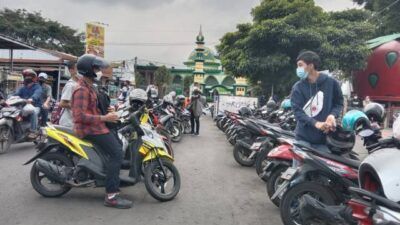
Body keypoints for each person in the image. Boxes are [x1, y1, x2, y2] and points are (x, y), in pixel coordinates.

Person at [71, 54, 132, 209]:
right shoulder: (81, 90)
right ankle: (111, 196)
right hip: (89, 129)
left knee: (118, 142)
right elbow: (79, 116)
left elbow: (93, 109)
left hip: (96, 127)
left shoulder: (90, 87)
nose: (99, 71)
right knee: (117, 152)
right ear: (88, 70)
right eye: (96, 68)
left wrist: (108, 111)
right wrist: (105, 118)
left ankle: (109, 171)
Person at [290, 51, 343, 152]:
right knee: (300, 168)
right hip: (303, 138)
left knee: (323, 167)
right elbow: (297, 112)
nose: (298, 69)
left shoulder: (331, 83)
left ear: (310, 65)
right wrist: (316, 123)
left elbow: (339, 103)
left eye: (300, 65)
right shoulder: (298, 87)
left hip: (324, 140)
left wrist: (332, 115)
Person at [14, 69, 43, 138]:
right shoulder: (22, 88)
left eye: (29, 76)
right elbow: (15, 94)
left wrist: (32, 98)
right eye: (26, 76)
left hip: (35, 106)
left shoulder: (38, 87)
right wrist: (9, 98)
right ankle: (17, 131)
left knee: (33, 112)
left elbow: (37, 94)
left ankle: (33, 131)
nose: (27, 78)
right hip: (23, 107)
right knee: (14, 113)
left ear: (33, 78)